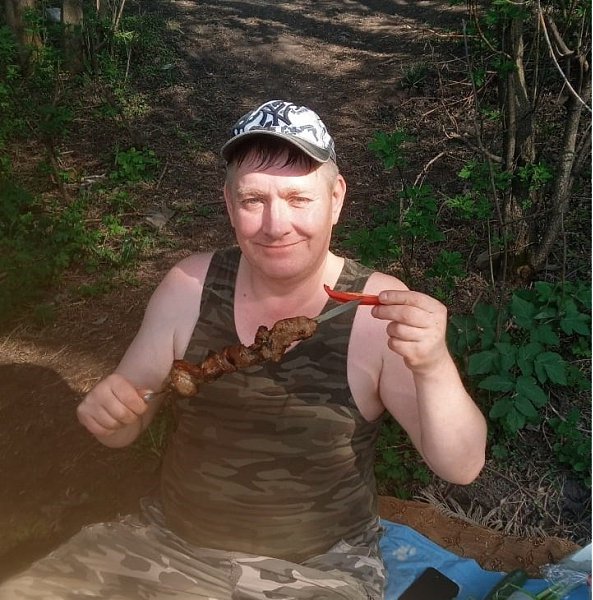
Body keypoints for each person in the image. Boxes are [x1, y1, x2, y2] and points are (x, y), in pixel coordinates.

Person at [0, 100, 487, 600]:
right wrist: (112, 414)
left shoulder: (375, 308)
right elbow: (128, 421)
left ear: (336, 199)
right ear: (230, 205)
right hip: (166, 547)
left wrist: (433, 364)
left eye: (298, 198)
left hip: (317, 570)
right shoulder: (190, 286)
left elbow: (462, 465)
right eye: (254, 199)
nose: (276, 225)